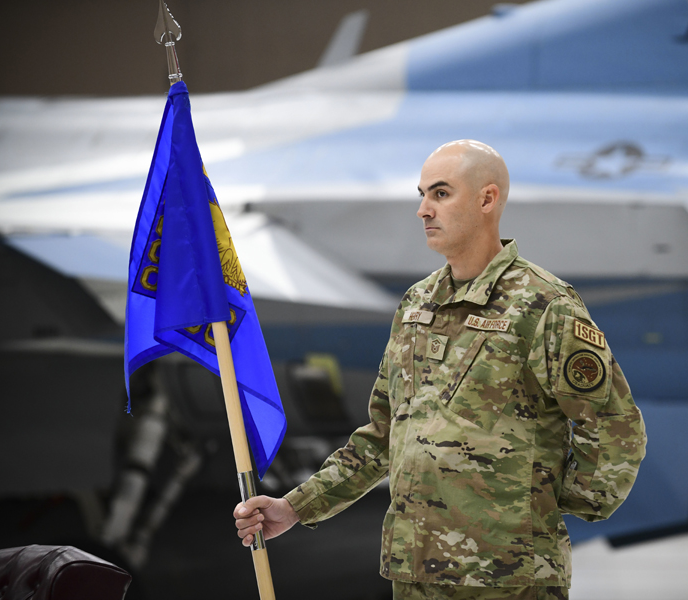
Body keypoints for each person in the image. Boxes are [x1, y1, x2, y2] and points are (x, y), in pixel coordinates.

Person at [234, 140, 646, 599]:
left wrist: (555, 506)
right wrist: (296, 507)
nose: (423, 210)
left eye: (441, 194)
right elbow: (382, 436)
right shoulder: (416, 305)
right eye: (421, 194)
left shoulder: (545, 305)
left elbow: (613, 426)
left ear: (487, 200)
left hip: (507, 578)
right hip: (415, 573)